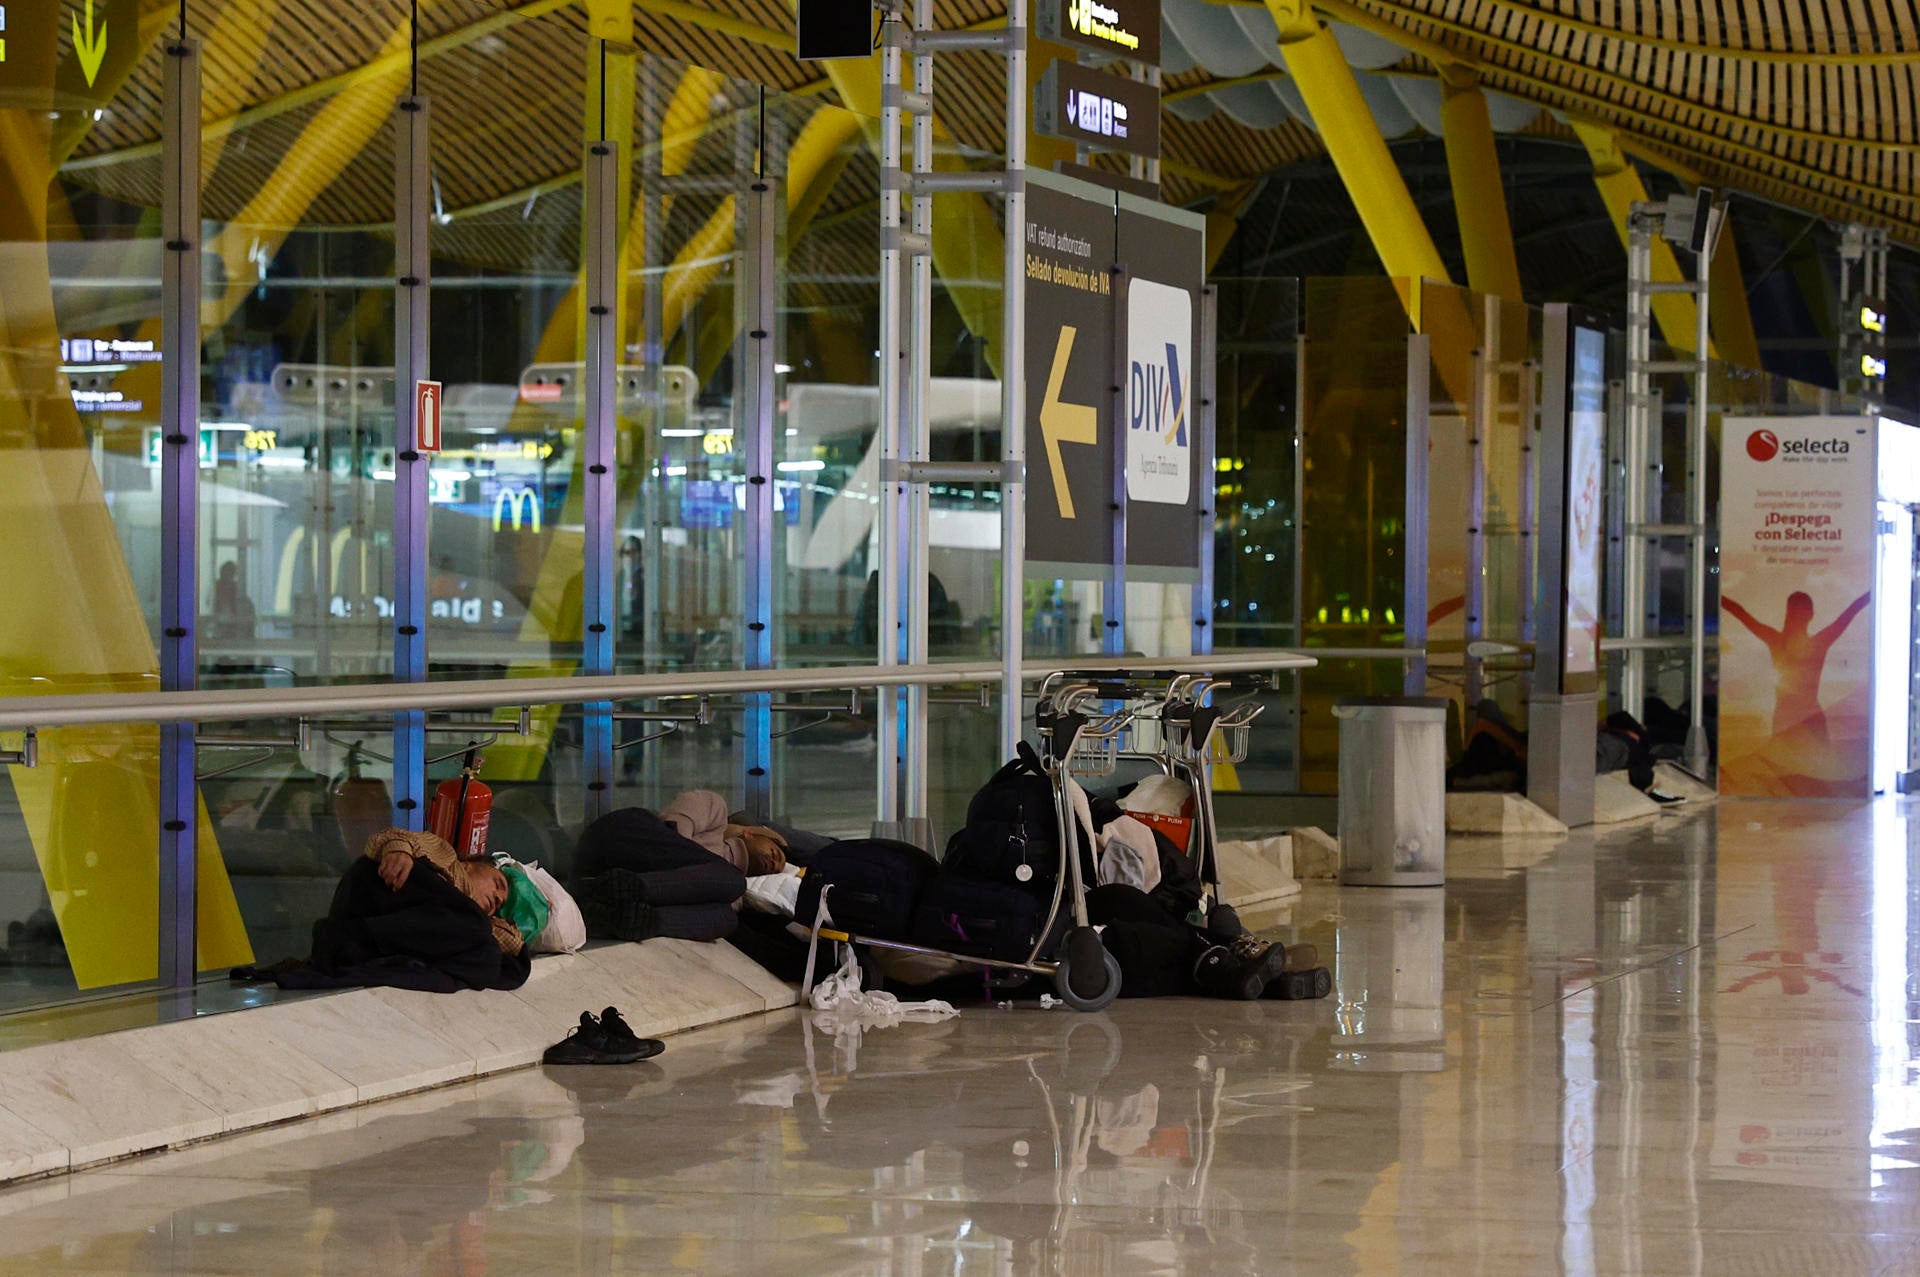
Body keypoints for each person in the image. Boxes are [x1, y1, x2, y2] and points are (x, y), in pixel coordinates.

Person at [1721, 589, 1870, 740]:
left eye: (1799, 612)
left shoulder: (1779, 641)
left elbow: (1739, 612)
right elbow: (1853, 610)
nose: (1798, 616)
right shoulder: (1816, 643)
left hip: (1796, 721)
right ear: (1811, 615)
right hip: (1799, 721)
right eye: (1797, 612)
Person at [210, 561, 256, 640]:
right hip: (222, 633)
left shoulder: (236, 588)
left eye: (231, 574)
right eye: (226, 573)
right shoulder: (217, 588)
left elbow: (249, 608)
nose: (229, 577)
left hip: (236, 633)